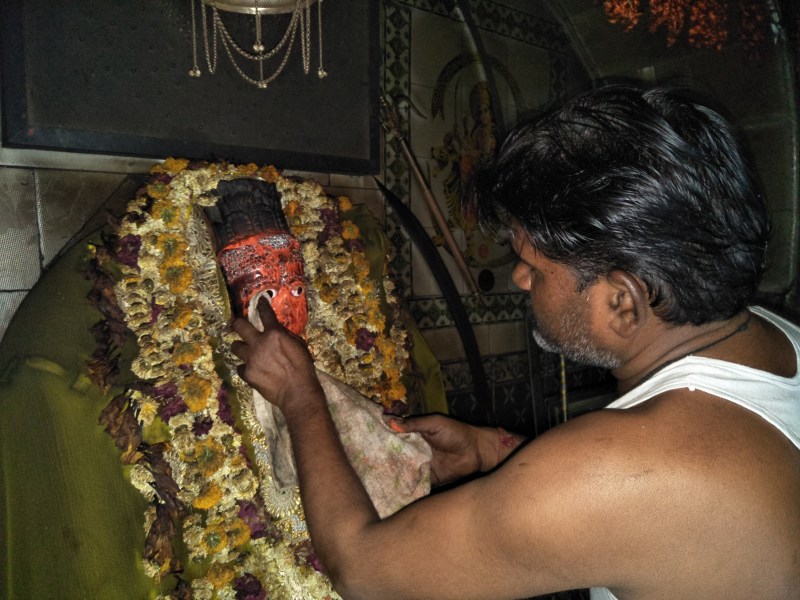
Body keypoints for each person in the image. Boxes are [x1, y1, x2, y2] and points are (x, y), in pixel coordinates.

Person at [231, 84, 800, 599]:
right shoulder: (774, 333)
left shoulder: (621, 470)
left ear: (622, 303)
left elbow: (362, 569)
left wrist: (299, 394)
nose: (521, 279)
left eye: (534, 265)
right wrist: (496, 452)